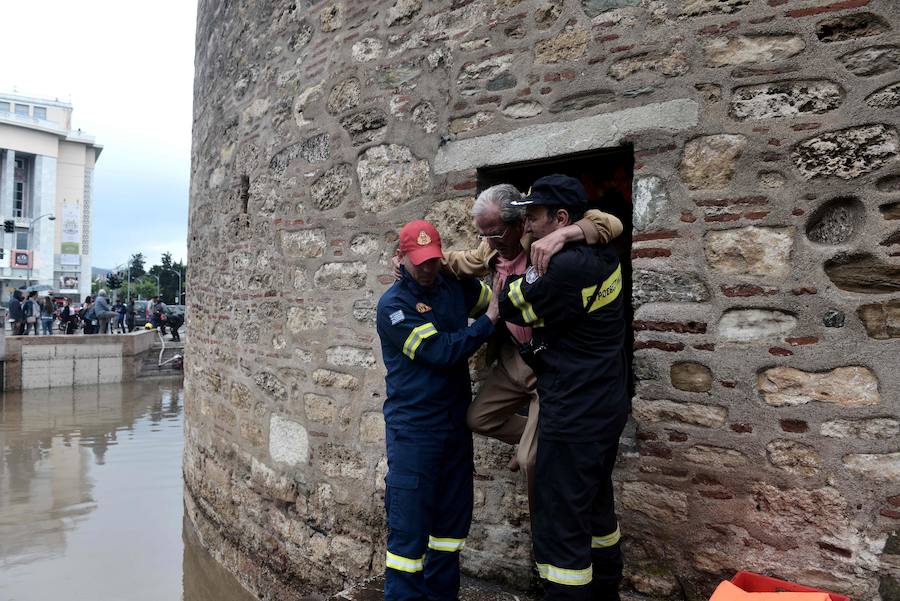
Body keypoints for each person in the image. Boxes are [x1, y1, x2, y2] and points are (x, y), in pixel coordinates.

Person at [438, 184, 622, 511]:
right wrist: (413, 261)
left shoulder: (540, 241)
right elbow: (458, 262)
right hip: (514, 362)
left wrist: (564, 235)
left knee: (530, 461)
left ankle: (544, 540)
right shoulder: (489, 251)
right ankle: (532, 440)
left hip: (546, 367)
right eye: (483, 235)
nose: (488, 242)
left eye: (494, 234)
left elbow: (610, 224)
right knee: (477, 418)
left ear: (518, 224)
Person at [498, 175, 629, 601]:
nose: (527, 227)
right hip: (605, 406)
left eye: (533, 217)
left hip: (572, 412)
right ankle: (607, 590)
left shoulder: (565, 268)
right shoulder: (604, 253)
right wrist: (577, 232)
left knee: (561, 527)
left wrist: (521, 275)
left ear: (560, 217)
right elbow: (607, 224)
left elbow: (509, 302)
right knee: (596, 512)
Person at [376, 220, 499, 601]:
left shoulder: (451, 286)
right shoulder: (393, 308)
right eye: (418, 262)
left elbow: (492, 297)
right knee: (408, 541)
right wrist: (488, 323)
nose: (427, 269)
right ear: (401, 258)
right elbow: (442, 352)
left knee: (450, 532)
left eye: (432, 261)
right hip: (414, 435)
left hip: (453, 431)